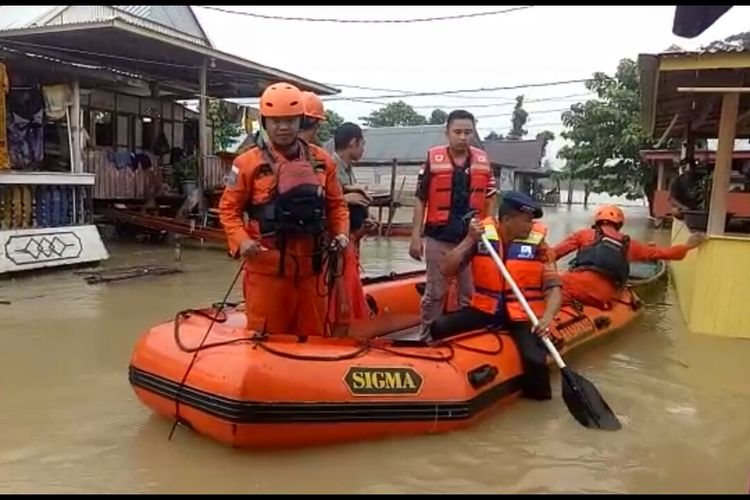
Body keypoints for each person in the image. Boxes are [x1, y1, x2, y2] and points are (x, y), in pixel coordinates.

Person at [218, 81, 349, 337]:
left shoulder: (322, 160)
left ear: (300, 121)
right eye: (276, 121)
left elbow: (337, 205)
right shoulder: (246, 163)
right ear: (265, 123)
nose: (283, 127)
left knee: (313, 337)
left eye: (290, 120)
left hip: (311, 271)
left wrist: (341, 234)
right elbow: (228, 210)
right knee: (266, 339)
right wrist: (241, 241)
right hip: (267, 271)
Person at [434, 191, 563, 400]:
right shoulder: (482, 236)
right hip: (487, 309)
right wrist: (469, 239)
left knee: (534, 360)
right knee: (439, 326)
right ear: (507, 220)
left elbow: (554, 289)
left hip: (523, 315)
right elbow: (446, 269)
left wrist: (546, 318)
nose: (531, 226)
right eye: (527, 221)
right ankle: (441, 379)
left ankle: (537, 405)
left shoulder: (539, 245)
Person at [409, 109, 497, 338]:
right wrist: (415, 237)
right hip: (439, 236)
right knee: (435, 292)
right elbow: (420, 199)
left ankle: (461, 338)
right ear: (447, 132)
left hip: (470, 239)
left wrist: (488, 232)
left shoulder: (482, 160)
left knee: (468, 292)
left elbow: (490, 198)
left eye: (468, 132)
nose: (463, 137)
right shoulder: (432, 159)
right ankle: (426, 336)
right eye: (457, 132)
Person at [553, 204, 706, 309]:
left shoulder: (582, 235)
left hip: (572, 285)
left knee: (546, 287)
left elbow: (552, 254)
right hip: (603, 295)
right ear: (619, 224)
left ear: (597, 222)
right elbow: (662, 253)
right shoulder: (629, 244)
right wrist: (687, 246)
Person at [327, 122, 373, 333]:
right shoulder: (331, 167)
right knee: (340, 298)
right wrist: (346, 198)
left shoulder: (348, 171)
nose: (363, 149)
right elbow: (326, 204)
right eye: (362, 144)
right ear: (353, 143)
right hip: (338, 246)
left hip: (351, 238)